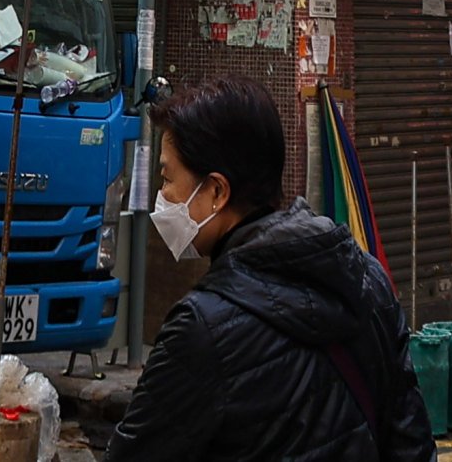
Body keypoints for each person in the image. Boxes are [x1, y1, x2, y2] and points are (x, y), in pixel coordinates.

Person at [105, 79, 434, 462]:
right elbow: (413, 443)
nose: (163, 198)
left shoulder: (200, 329)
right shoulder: (368, 280)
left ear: (216, 192)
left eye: (167, 179)